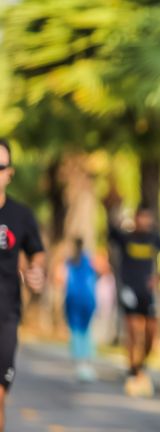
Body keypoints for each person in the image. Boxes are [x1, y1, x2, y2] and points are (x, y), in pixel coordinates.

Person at [0, 138, 45, 432]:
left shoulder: (21, 214)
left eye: (0, 167)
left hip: (5, 315)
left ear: (9, 173)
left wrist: (36, 271)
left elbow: (36, 251)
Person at [107, 205, 160, 396]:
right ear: (135, 218)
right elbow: (110, 231)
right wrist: (113, 206)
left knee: (151, 332)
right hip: (130, 289)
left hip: (148, 292)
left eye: (147, 218)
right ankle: (132, 369)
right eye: (141, 217)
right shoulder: (125, 237)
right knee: (134, 330)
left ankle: (142, 364)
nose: (144, 222)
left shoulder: (154, 238)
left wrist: (159, 276)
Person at [64, 237, 97, 382]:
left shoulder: (70, 262)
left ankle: (80, 362)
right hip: (87, 299)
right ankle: (85, 362)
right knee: (85, 331)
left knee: (76, 331)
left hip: (74, 299)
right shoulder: (87, 261)